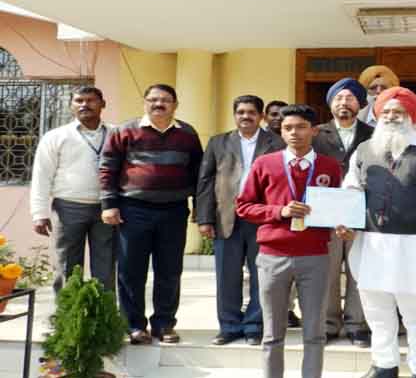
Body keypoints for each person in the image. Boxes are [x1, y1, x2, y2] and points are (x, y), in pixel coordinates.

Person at [337, 87, 416, 378]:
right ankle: (385, 364)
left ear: (411, 116)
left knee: (415, 310)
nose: (391, 116)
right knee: (377, 308)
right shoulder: (365, 149)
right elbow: (351, 187)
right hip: (372, 240)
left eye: (398, 112)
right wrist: (344, 219)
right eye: (386, 111)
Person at [236, 104, 342, 378]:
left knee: (315, 332)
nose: (294, 133)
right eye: (288, 128)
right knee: (272, 333)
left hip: (315, 256)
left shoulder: (329, 167)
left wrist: (342, 224)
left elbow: (339, 208)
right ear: (280, 131)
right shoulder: (265, 164)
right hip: (273, 255)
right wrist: (279, 211)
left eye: (301, 127)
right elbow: (244, 206)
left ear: (314, 130)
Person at [100, 84, 203, 345]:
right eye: (153, 99)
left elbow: (198, 173)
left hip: (174, 210)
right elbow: (107, 168)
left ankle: (164, 325)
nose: (159, 104)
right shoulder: (124, 130)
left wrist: (199, 207)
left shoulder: (187, 134)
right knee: (131, 270)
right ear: (145, 102)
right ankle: (134, 325)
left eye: (165, 100)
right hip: (133, 210)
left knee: (169, 270)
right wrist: (109, 204)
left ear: (175, 105)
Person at [197, 95, 285, 346]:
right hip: (227, 217)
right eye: (241, 112)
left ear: (261, 117)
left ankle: (255, 326)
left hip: (263, 217)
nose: (246, 116)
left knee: (262, 275)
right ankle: (229, 326)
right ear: (235, 115)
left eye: (251, 112)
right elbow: (205, 182)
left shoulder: (277, 143)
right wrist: (204, 218)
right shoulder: (218, 142)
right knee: (227, 275)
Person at [30, 86, 117, 295]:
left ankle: (103, 320)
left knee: (105, 268)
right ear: (71, 106)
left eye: (90, 100)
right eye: (79, 101)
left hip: (107, 209)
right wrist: (39, 214)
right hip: (67, 208)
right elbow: (42, 176)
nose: (84, 105)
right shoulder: (56, 136)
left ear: (103, 104)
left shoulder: (116, 133)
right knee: (67, 266)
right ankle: (66, 320)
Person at [312, 78, 374, 347]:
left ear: (360, 104)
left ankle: (357, 324)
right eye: (338, 98)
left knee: (359, 269)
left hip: (362, 211)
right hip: (325, 211)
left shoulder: (374, 133)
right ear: (331, 104)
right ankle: (328, 323)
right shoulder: (316, 133)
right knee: (327, 270)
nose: (344, 103)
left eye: (349, 98)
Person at [262, 99, 301, 327]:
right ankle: (261, 314)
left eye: (281, 114)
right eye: (273, 114)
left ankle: (287, 310)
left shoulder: (300, 144)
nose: (277, 117)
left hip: (296, 218)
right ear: (265, 116)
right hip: (268, 216)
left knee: (294, 274)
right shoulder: (262, 143)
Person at [357, 65, 416, 133]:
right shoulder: (356, 117)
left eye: (384, 88)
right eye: (372, 88)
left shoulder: (410, 117)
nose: (378, 91)